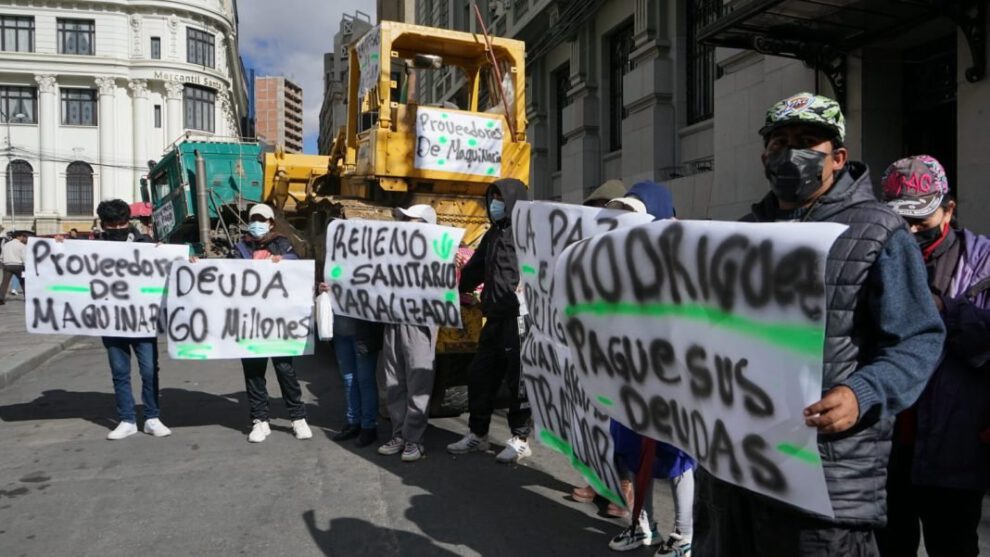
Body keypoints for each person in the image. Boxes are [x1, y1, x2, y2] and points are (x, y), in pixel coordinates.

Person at [690, 92, 945, 556]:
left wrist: (861, 393)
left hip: (824, 482)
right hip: (734, 475)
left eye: (808, 142)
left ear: (838, 158)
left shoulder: (879, 231)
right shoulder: (742, 233)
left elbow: (918, 339)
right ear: (764, 157)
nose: (791, 153)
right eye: (780, 142)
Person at [875, 155, 990, 557]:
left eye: (920, 221)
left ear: (949, 210)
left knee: (953, 545)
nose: (910, 231)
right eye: (900, 221)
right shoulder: (876, 255)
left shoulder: (982, 262)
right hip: (887, 447)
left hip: (955, 444)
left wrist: (943, 312)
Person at [599, 182, 697, 557]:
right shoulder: (621, 265)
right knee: (632, 450)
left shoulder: (683, 263)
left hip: (670, 379)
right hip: (629, 378)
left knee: (676, 456)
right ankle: (644, 526)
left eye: (633, 216)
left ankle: (683, 534)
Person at [447, 178, 534, 463]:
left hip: (519, 319)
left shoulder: (530, 233)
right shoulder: (493, 233)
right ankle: (478, 434)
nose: (495, 203)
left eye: (500, 198)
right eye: (492, 197)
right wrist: (454, 288)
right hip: (494, 317)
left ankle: (520, 438)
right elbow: (475, 268)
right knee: (480, 375)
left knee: (519, 380)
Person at [87, 200, 171, 440]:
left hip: (143, 322)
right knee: (120, 372)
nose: (117, 228)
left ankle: (152, 417)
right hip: (112, 321)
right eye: (111, 225)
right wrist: (59, 246)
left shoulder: (145, 244)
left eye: (121, 223)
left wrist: (167, 254)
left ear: (128, 221)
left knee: (149, 371)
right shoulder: (92, 247)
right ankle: (127, 420)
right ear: (103, 224)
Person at [233, 203, 312, 443]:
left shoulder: (283, 244)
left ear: (270, 223)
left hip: (279, 322)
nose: (257, 224)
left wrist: (283, 260)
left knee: (285, 370)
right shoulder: (239, 248)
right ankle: (260, 420)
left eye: (262, 220)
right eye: (253, 219)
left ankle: (298, 418)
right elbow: (223, 274)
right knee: (254, 373)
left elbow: (298, 265)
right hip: (250, 322)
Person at [377, 204, 440, 462]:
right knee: (394, 380)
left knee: (418, 380)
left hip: (419, 323)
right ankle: (399, 434)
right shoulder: (393, 251)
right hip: (393, 319)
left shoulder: (438, 254)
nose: (403, 223)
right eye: (403, 219)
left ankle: (414, 439)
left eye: (410, 219)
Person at [330, 314, 384, 448]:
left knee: (365, 380)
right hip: (340, 330)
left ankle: (368, 426)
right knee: (348, 379)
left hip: (364, 331)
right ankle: (353, 422)